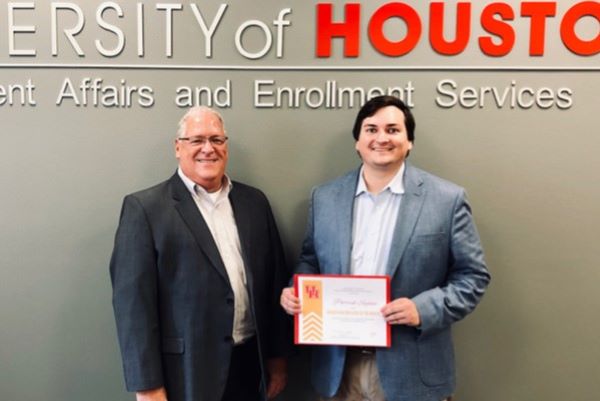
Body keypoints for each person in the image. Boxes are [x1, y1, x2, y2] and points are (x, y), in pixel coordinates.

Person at [280, 95, 491, 401]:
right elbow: (310, 260)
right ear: (357, 141)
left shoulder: (447, 199)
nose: (381, 138)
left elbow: (473, 277)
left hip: (412, 368)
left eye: (393, 130)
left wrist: (423, 309)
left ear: (409, 142)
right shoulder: (324, 198)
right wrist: (295, 290)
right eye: (371, 129)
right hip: (339, 368)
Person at [110, 106, 290, 401]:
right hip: (185, 372)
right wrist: (147, 386)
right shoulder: (145, 209)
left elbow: (274, 283)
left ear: (226, 147)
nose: (208, 148)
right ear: (178, 147)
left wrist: (277, 359)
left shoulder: (254, 202)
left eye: (217, 140)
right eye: (197, 140)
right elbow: (132, 307)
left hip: (250, 365)